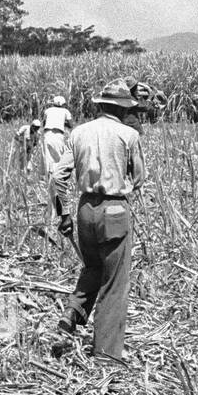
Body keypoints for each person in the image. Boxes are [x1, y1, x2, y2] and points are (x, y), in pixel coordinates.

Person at [51, 79, 148, 363]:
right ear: (122, 108)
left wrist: (64, 214)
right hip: (114, 210)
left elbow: (58, 177)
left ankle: (72, 313)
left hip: (84, 211)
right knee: (114, 283)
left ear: (101, 105)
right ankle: (107, 355)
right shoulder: (128, 135)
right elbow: (139, 178)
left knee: (93, 266)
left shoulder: (79, 132)